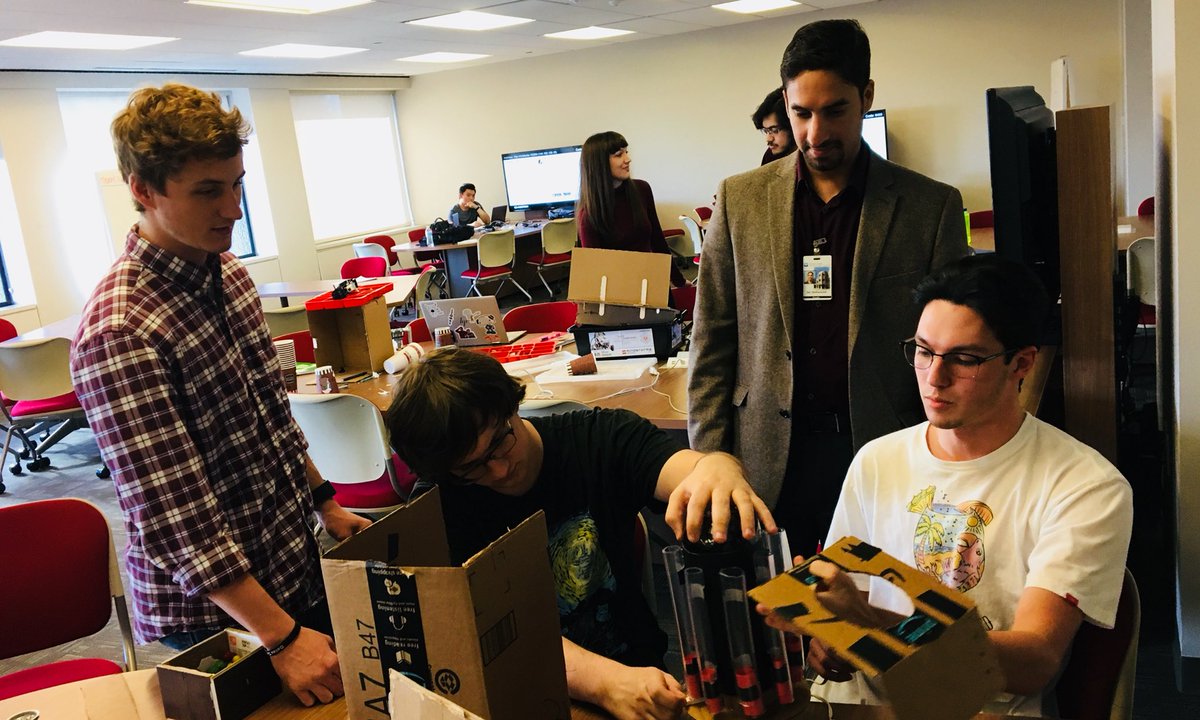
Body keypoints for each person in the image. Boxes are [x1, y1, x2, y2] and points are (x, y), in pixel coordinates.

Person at [70, 83, 371, 707]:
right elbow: (178, 520)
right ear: (142, 190)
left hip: (286, 558)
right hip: (210, 609)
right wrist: (281, 638)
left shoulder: (228, 274)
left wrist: (324, 502)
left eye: (237, 184)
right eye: (208, 191)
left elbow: (269, 415)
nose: (233, 208)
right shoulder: (121, 330)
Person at [761, 255, 1133, 716]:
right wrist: (828, 636)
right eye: (923, 351)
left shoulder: (1084, 485)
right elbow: (847, 601)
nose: (934, 378)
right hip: (863, 704)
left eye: (965, 359)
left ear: (1021, 363)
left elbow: (1036, 660)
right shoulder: (878, 459)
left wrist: (880, 621)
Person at [688, 19, 969, 556]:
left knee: (880, 610)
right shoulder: (740, 200)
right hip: (768, 453)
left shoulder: (929, 207)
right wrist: (709, 458)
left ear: (865, 96)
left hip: (883, 446)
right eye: (800, 113)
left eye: (834, 110)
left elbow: (948, 350)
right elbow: (713, 338)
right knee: (775, 616)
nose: (815, 133)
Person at [384, 347, 777, 720]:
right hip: (520, 690)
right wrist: (601, 682)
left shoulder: (598, 438)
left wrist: (717, 468)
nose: (500, 471)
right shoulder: (437, 503)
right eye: (473, 468)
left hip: (638, 678)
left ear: (512, 404)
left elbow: (688, 471)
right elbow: (466, 630)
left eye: (500, 442)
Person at [577, 131, 686, 287]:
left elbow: (657, 240)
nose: (628, 159)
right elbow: (596, 272)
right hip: (620, 293)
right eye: (618, 154)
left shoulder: (642, 189)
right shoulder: (589, 215)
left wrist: (678, 280)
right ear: (599, 163)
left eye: (626, 152)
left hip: (652, 282)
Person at [753, 86, 797, 165]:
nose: (768, 139)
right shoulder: (770, 157)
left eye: (774, 130)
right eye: (766, 131)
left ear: (792, 126)